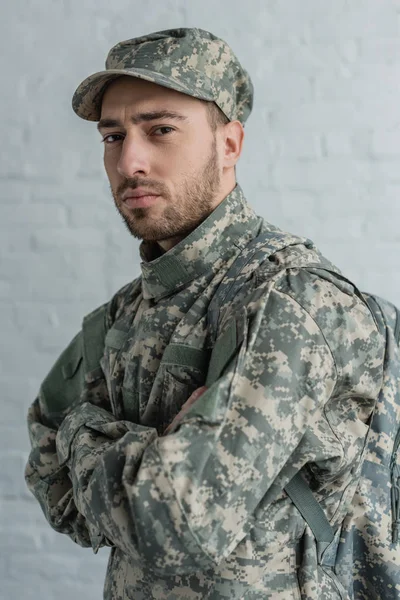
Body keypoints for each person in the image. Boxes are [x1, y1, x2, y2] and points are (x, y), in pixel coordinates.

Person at [24, 27, 385, 599]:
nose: (130, 161)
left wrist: (84, 433)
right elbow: (50, 480)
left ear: (230, 144)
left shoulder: (289, 302)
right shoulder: (122, 313)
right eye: (113, 136)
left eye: (161, 129)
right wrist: (148, 458)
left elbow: (179, 523)